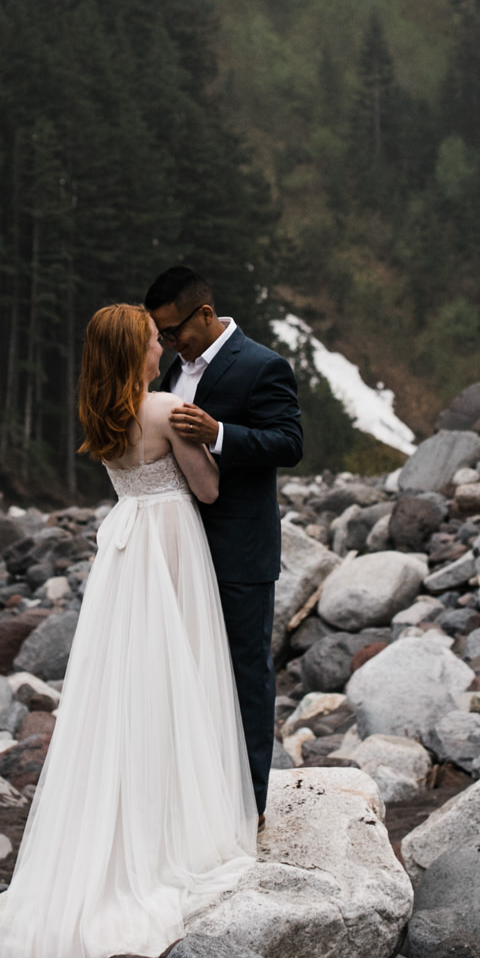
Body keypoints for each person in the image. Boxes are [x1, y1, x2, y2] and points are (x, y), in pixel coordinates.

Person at [0, 303, 260, 958]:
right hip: (170, 549)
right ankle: (182, 826)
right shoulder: (166, 410)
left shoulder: (100, 417)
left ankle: (121, 826)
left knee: (126, 690)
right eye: (148, 342)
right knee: (183, 678)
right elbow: (209, 487)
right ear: (132, 352)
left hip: (125, 555)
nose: (157, 349)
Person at [144, 265, 303, 815]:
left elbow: (289, 444)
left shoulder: (263, 365)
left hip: (240, 550)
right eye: (161, 336)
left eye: (174, 333)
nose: (168, 344)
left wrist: (220, 435)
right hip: (182, 548)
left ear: (205, 315)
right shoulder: (172, 374)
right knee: (189, 673)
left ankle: (249, 807)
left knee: (245, 675)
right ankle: (199, 803)